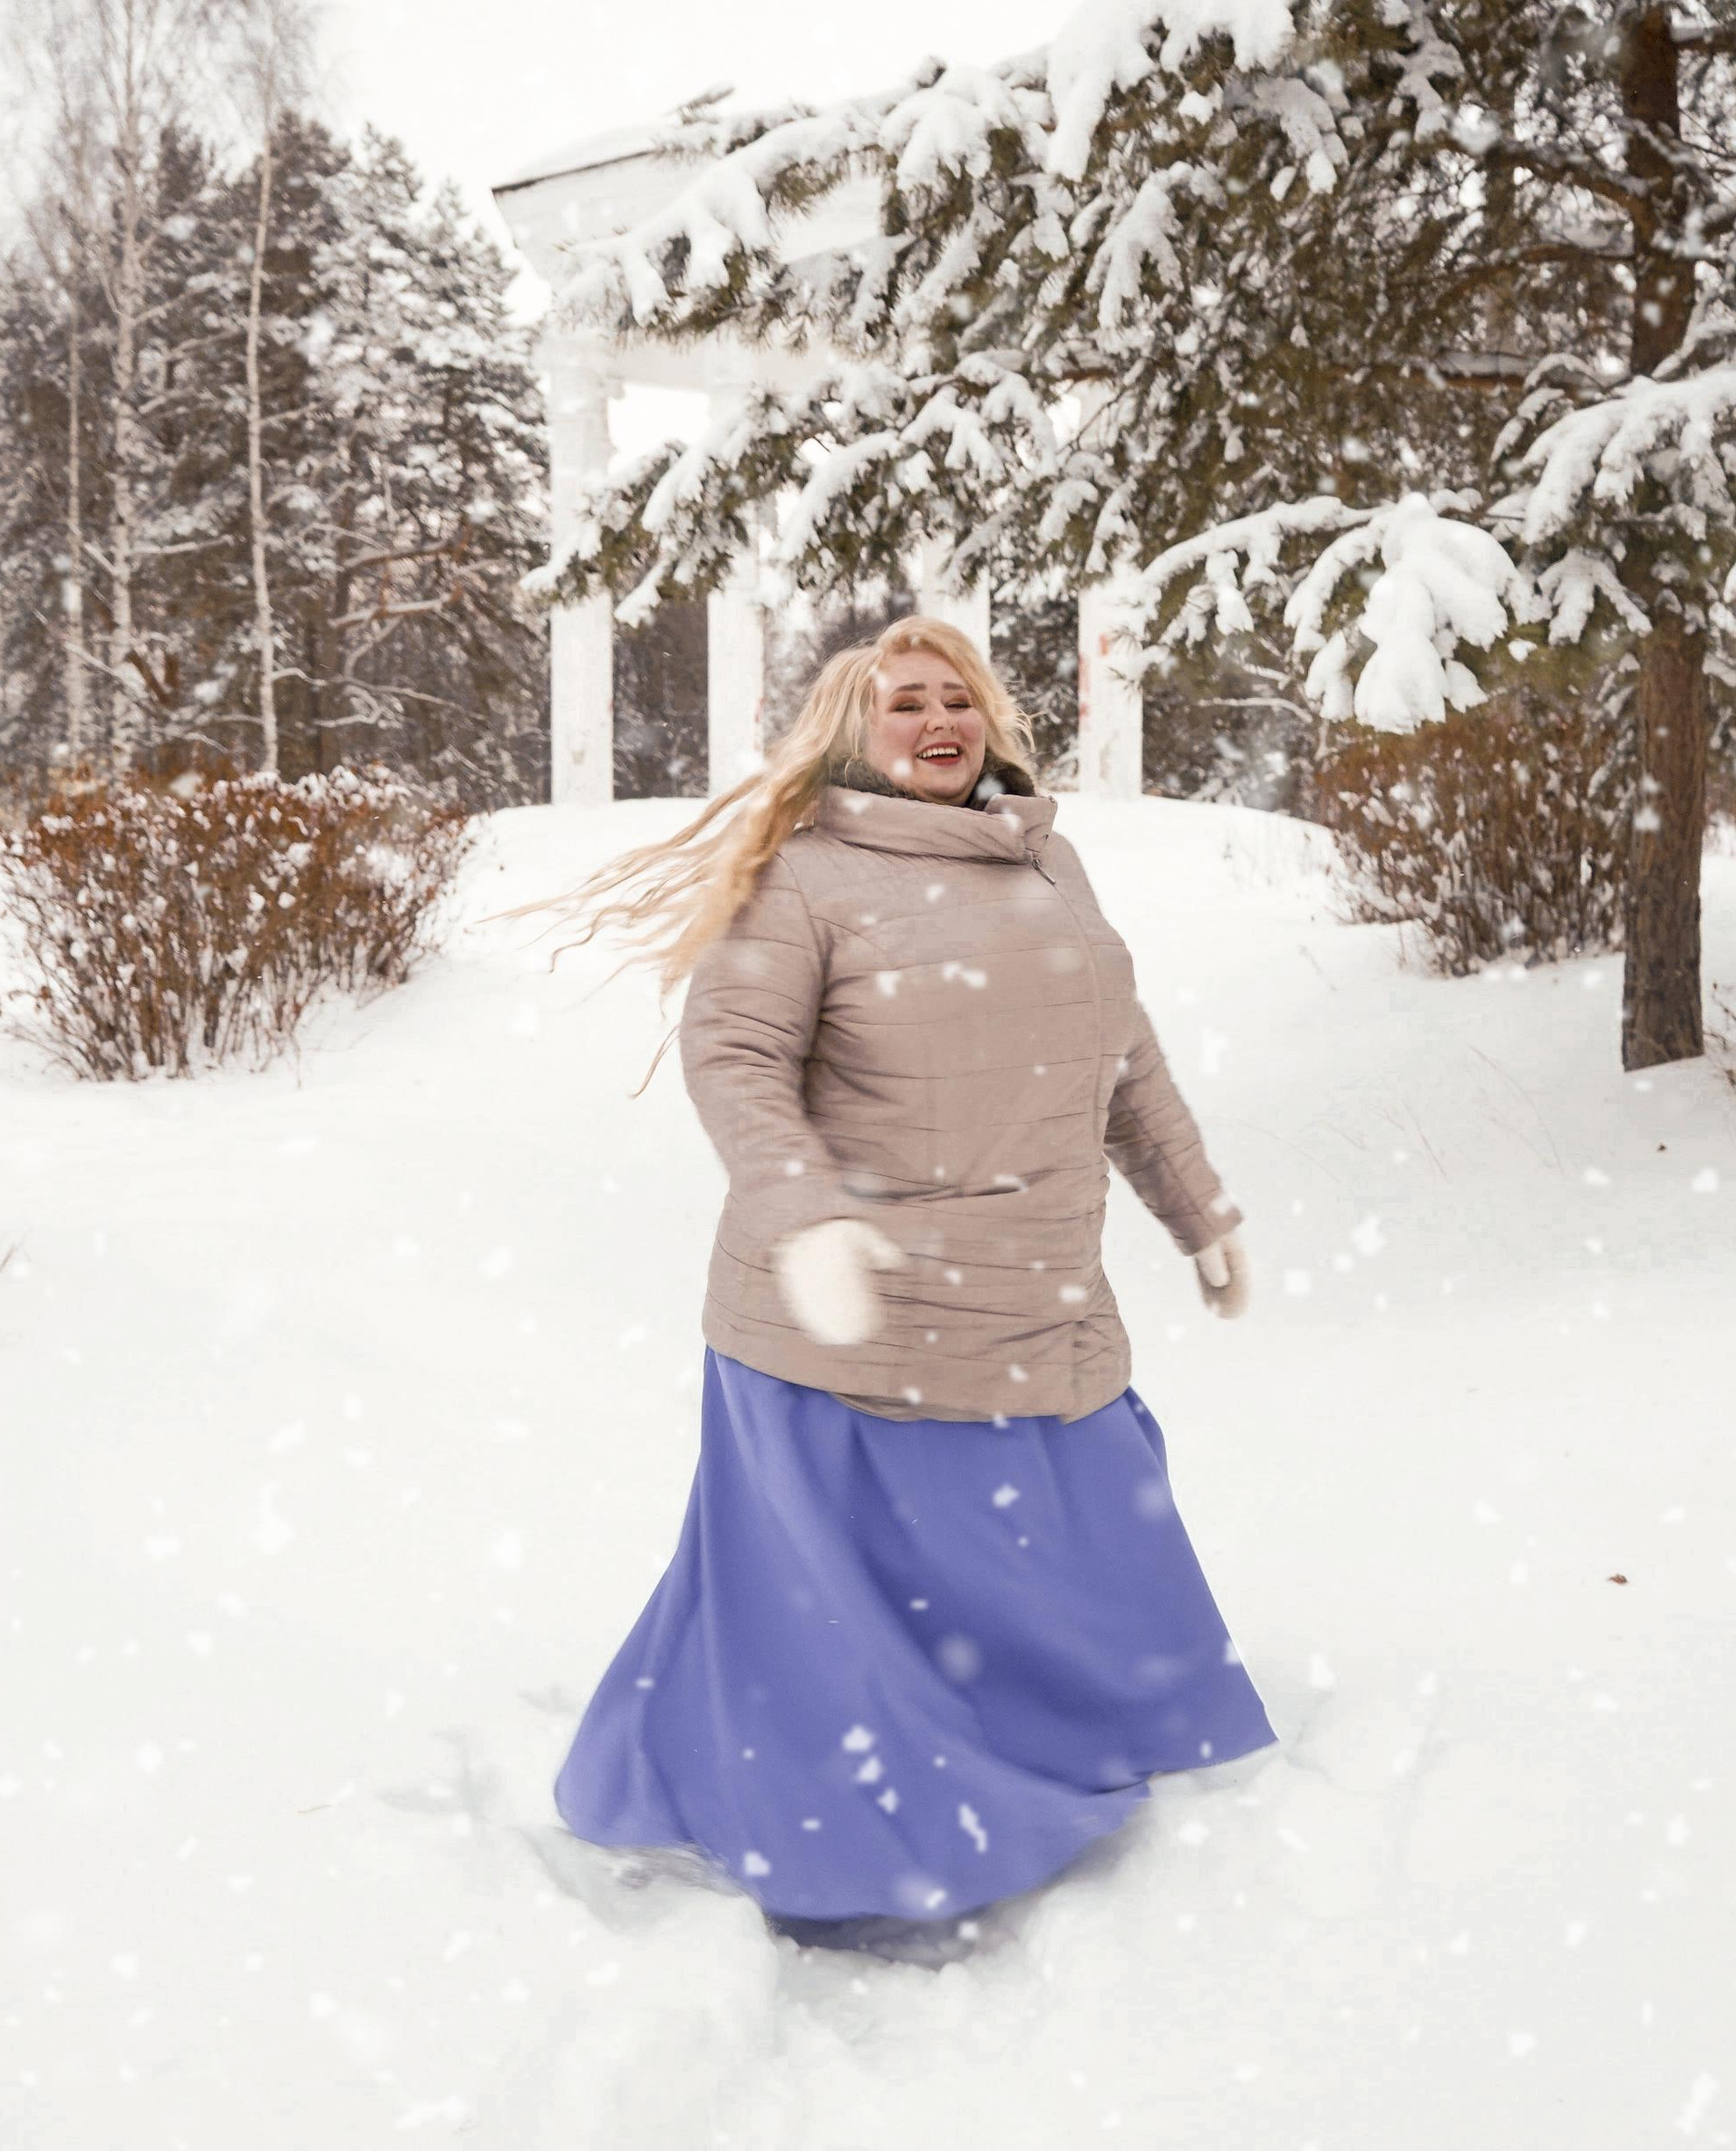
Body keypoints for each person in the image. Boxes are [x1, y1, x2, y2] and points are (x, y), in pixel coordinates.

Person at [527, 613, 1275, 1961]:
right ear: (847, 737)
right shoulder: (802, 876)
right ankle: (868, 1837)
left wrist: (1199, 1212)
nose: (937, 722)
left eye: (956, 699)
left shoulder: (1050, 862)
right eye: (899, 705)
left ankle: (1050, 1751)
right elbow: (736, 1059)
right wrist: (804, 1213)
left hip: (1039, 1299)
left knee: (1088, 1544)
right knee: (840, 1620)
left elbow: (1126, 1062)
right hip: (849, 1321)